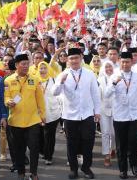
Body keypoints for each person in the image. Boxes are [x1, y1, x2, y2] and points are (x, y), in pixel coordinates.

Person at [53, 48, 101, 179]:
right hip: (69, 115)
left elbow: (95, 94)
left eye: (76, 58)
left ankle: (86, 167)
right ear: (68, 60)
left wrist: (97, 111)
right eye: (71, 58)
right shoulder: (63, 74)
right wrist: (61, 82)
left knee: (88, 142)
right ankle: (73, 169)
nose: (74, 61)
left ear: (81, 58)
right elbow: (54, 92)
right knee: (71, 144)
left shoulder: (89, 74)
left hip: (87, 114)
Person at [105, 52, 137, 179]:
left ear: (131, 62)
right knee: (121, 144)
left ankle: (134, 165)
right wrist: (114, 84)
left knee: (134, 141)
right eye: (123, 62)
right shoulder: (114, 76)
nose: (125, 64)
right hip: (120, 115)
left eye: (127, 61)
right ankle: (123, 169)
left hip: (134, 115)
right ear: (119, 62)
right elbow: (106, 94)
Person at [4, 54, 46, 180]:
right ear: (16, 65)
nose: (26, 66)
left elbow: (40, 99)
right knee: (19, 150)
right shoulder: (8, 80)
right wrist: (8, 102)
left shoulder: (35, 79)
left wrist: (43, 115)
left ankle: (34, 173)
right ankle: (21, 173)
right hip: (15, 121)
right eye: (23, 64)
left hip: (33, 120)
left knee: (34, 148)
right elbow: (5, 97)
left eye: (27, 64)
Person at [37, 61, 61, 165]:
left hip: (53, 112)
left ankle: (49, 156)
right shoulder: (35, 81)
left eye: (44, 68)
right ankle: (42, 151)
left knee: (50, 135)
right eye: (40, 68)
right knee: (40, 135)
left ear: (48, 69)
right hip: (38, 113)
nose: (42, 70)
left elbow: (59, 95)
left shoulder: (53, 80)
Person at [97, 61, 116, 167]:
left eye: (110, 66)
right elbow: (97, 96)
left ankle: (112, 148)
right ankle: (106, 155)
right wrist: (96, 111)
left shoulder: (118, 78)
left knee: (113, 133)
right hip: (103, 109)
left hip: (116, 110)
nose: (109, 68)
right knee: (105, 133)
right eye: (106, 67)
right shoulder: (99, 80)